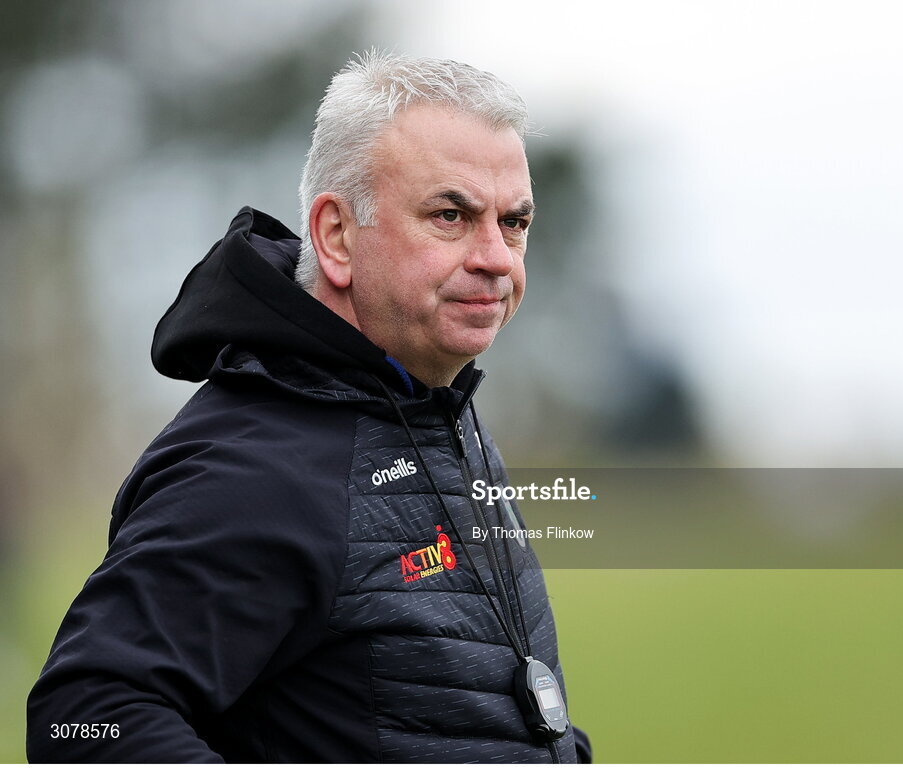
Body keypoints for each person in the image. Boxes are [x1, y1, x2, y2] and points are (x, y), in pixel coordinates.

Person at [26, 51, 590, 763]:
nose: (497, 258)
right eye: (452, 215)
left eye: (513, 223)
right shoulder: (254, 466)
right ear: (335, 237)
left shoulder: (438, 415)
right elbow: (82, 720)